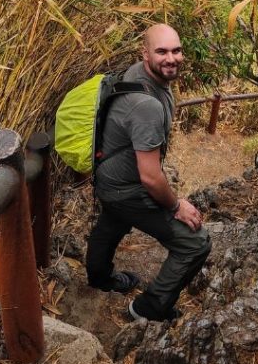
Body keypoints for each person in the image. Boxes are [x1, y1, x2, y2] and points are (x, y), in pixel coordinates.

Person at [85, 23, 211, 321]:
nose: (171, 58)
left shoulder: (137, 76)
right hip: (126, 188)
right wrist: (176, 205)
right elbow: (151, 178)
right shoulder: (147, 106)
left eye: (176, 50)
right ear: (145, 54)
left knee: (112, 221)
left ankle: (99, 278)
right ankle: (147, 310)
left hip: (109, 177)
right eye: (162, 51)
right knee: (195, 243)